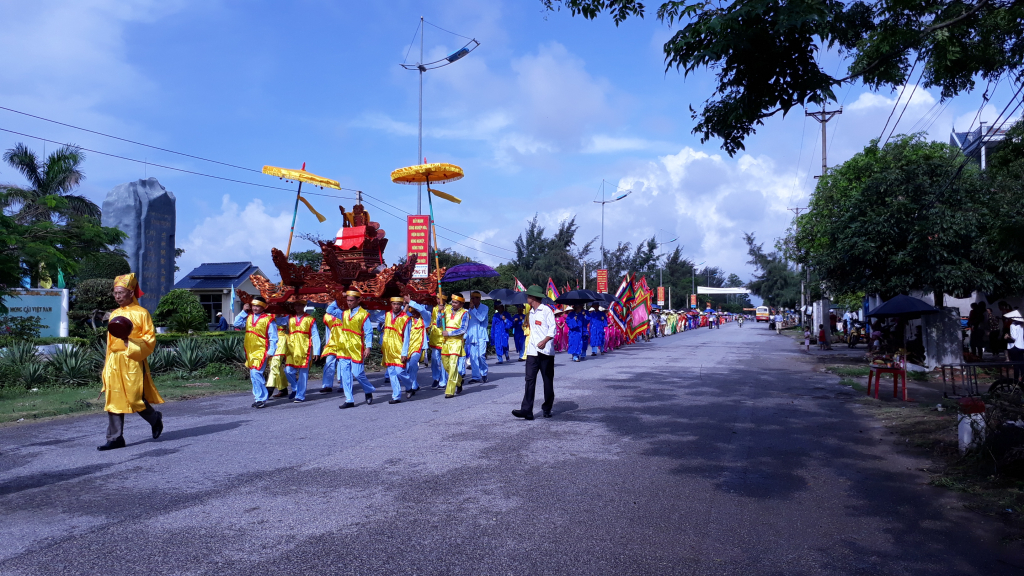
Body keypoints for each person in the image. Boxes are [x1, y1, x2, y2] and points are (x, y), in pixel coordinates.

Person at [98, 273, 164, 450]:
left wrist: (130, 342)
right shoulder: (114, 314)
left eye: (121, 292)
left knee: (135, 398)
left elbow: (150, 340)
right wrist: (106, 366)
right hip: (114, 360)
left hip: (133, 359)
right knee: (113, 398)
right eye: (115, 293)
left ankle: (154, 418)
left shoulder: (142, 314)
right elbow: (110, 344)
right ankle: (115, 438)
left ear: (131, 293)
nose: (117, 296)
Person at [323, 290, 380, 409]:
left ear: (358, 300)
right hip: (343, 346)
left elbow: (369, 331)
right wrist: (339, 298)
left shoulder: (363, 314)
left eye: (351, 301)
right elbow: (329, 310)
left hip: (356, 346)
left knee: (358, 373)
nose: (348, 303)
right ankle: (349, 399)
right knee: (345, 374)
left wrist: (368, 347)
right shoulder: (343, 313)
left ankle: (368, 389)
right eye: (347, 301)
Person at [512, 285, 556, 421]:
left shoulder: (546, 311)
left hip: (545, 351)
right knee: (529, 380)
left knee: (547, 381)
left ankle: (547, 407)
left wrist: (545, 341)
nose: (526, 298)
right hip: (532, 351)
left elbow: (553, 329)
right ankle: (527, 410)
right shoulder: (530, 313)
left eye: (528, 296)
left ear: (534, 297)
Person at [234, 296, 278, 409]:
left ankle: (262, 397)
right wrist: (243, 310)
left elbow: (273, 336)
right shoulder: (248, 317)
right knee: (253, 375)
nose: (255, 308)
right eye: (253, 305)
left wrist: (271, 350)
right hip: (250, 350)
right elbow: (236, 323)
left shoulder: (268, 319)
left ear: (263, 307)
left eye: (258, 306)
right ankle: (259, 398)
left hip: (261, 350)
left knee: (256, 373)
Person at [283, 300, 320, 403]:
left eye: (300, 305)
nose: (298, 307)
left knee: (303, 373)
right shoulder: (289, 318)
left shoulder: (310, 319)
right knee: (288, 370)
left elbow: (315, 335)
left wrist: (316, 351)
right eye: (296, 305)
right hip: (292, 349)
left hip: (305, 348)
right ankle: (295, 387)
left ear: (304, 306)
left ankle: (300, 395)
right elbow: (278, 321)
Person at [378, 296, 413, 404]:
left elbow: (407, 337)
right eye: (394, 304)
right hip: (388, 349)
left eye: (398, 304)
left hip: (399, 349)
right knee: (392, 372)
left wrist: (404, 353)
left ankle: (409, 386)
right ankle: (396, 396)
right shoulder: (387, 315)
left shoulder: (406, 318)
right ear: (391, 304)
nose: (396, 306)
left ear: (401, 305)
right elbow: (377, 322)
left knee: (400, 372)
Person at [439, 293, 469, 398]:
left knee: (452, 366)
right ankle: (459, 381)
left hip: (456, 342)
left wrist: (450, 333)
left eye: (456, 302)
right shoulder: (446, 311)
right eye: (453, 302)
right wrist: (440, 313)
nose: (453, 304)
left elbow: (463, 329)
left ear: (461, 304)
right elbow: (439, 324)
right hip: (446, 342)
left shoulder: (465, 313)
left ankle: (450, 391)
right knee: (445, 365)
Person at [399, 304, 427, 397]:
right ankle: (414, 384)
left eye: (415, 311)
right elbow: (401, 316)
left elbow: (423, 310)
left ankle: (412, 386)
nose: (413, 313)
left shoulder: (425, 320)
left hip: (418, 347)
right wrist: (406, 305)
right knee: (406, 368)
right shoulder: (409, 320)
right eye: (412, 311)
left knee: (412, 364)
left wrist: (411, 302)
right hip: (407, 347)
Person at [465, 291, 490, 384]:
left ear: (479, 299)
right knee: (473, 357)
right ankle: (475, 376)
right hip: (472, 336)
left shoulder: (485, 308)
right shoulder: (469, 310)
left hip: (481, 336)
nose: (473, 300)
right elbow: (467, 323)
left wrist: (473, 310)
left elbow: (481, 318)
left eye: (475, 298)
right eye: (472, 298)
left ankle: (484, 372)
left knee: (480, 356)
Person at [267, 310, 291, 398]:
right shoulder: (267, 313)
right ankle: (283, 388)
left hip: (281, 340)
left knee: (275, 364)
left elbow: (288, 323)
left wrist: (279, 315)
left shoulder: (287, 314)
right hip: (270, 341)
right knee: (276, 366)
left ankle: (269, 388)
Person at [1005, 310, 1024, 380]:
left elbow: (1014, 337)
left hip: (1015, 347)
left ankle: (1016, 380)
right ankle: (1022, 380)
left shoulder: (1012, 325)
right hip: (1021, 346)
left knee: (1016, 365)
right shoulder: (1022, 324)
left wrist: (1008, 336)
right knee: (1022, 364)